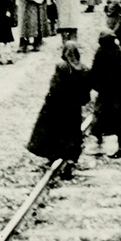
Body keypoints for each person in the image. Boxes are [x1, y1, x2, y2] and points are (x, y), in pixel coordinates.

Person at [26, 41, 91, 179]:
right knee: (73, 134)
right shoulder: (84, 69)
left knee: (55, 133)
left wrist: (48, 102)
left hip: (57, 108)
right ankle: (70, 161)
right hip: (74, 109)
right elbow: (86, 95)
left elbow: (54, 88)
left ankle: (54, 155)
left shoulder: (61, 67)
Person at [89, 30, 121, 158]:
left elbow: (95, 72)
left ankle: (99, 142)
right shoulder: (118, 52)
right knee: (120, 122)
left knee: (100, 116)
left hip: (106, 93)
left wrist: (95, 86)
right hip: (120, 93)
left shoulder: (101, 53)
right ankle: (120, 147)